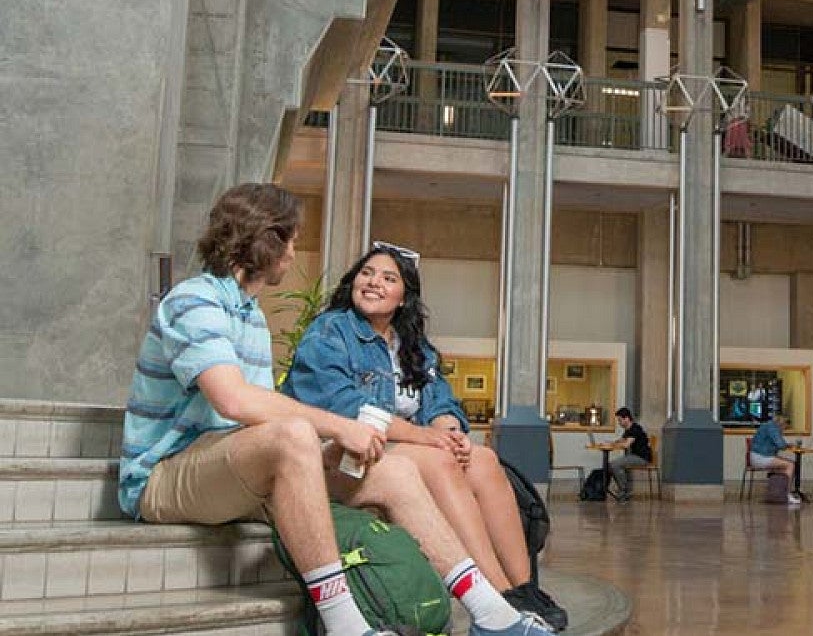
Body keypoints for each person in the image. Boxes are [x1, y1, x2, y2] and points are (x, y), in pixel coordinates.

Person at [119, 184, 553, 636]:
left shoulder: (249, 314)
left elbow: (257, 422)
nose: (292, 253)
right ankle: (347, 626)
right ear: (267, 240)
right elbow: (235, 401)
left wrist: (327, 454)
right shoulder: (195, 301)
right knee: (293, 434)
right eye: (290, 240)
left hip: (232, 465)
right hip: (165, 476)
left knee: (395, 473)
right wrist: (340, 430)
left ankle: (493, 614)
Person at [282, 243, 567, 631]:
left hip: (403, 445)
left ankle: (523, 588)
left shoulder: (413, 347)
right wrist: (426, 438)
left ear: (404, 296)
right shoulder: (331, 330)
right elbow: (345, 407)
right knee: (438, 458)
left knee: (481, 459)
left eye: (388, 277)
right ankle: (497, 598)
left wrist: (449, 429)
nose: (374, 283)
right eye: (366, 274)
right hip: (343, 450)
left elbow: (441, 402)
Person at [748, 415, 804, 505]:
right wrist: (789, 445)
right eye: (784, 428)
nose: (784, 430)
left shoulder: (767, 425)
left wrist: (786, 444)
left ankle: (777, 494)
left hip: (756, 457)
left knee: (784, 467)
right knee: (791, 465)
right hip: (761, 457)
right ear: (782, 423)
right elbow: (781, 444)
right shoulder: (773, 428)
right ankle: (786, 495)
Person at [608, 407, 652, 503]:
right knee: (612, 465)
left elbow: (626, 444)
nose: (619, 423)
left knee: (614, 464)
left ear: (626, 419)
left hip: (642, 458)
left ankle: (623, 491)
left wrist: (616, 444)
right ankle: (624, 490)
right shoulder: (628, 430)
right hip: (635, 456)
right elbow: (622, 440)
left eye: (620, 420)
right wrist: (612, 443)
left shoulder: (635, 429)